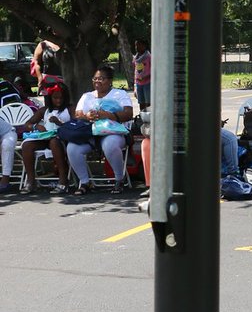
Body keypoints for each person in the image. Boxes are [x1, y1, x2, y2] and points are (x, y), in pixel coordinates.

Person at [69, 64, 134, 196]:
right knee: (72, 148)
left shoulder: (119, 94)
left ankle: (119, 179)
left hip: (113, 132)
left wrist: (109, 115)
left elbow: (129, 113)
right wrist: (87, 116)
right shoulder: (87, 96)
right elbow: (77, 114)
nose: (97, 81)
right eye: (95, 78)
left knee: (110, 145)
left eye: (101, 79)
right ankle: (85, 182)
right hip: (91, 133)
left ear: (110, 81)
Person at [19, 81, 74, 194]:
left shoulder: (69, 109)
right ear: (50, 97)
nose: (58, 100)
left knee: (54, 142)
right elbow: (27, 124)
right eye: (55, 98)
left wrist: (60, 123)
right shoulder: (44, 110)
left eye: (61, 98)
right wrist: (35, 126)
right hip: (46, 138)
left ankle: (63, 180)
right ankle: (31, 181)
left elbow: (76, 125)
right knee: (27, 145)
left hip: (64, 138)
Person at [133, 38, 152, 109]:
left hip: (147, 83)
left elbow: (153, 71)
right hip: (139, 83)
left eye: (139, 45)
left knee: (148, 102)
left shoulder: (149, 57)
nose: (137, 47)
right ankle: (142, 116)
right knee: (141, 102)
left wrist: (145, 77)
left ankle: (149, 116)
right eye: (136, 45)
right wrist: (135, 85)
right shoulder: (136, 58)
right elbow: (135, 71)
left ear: (144, 46)